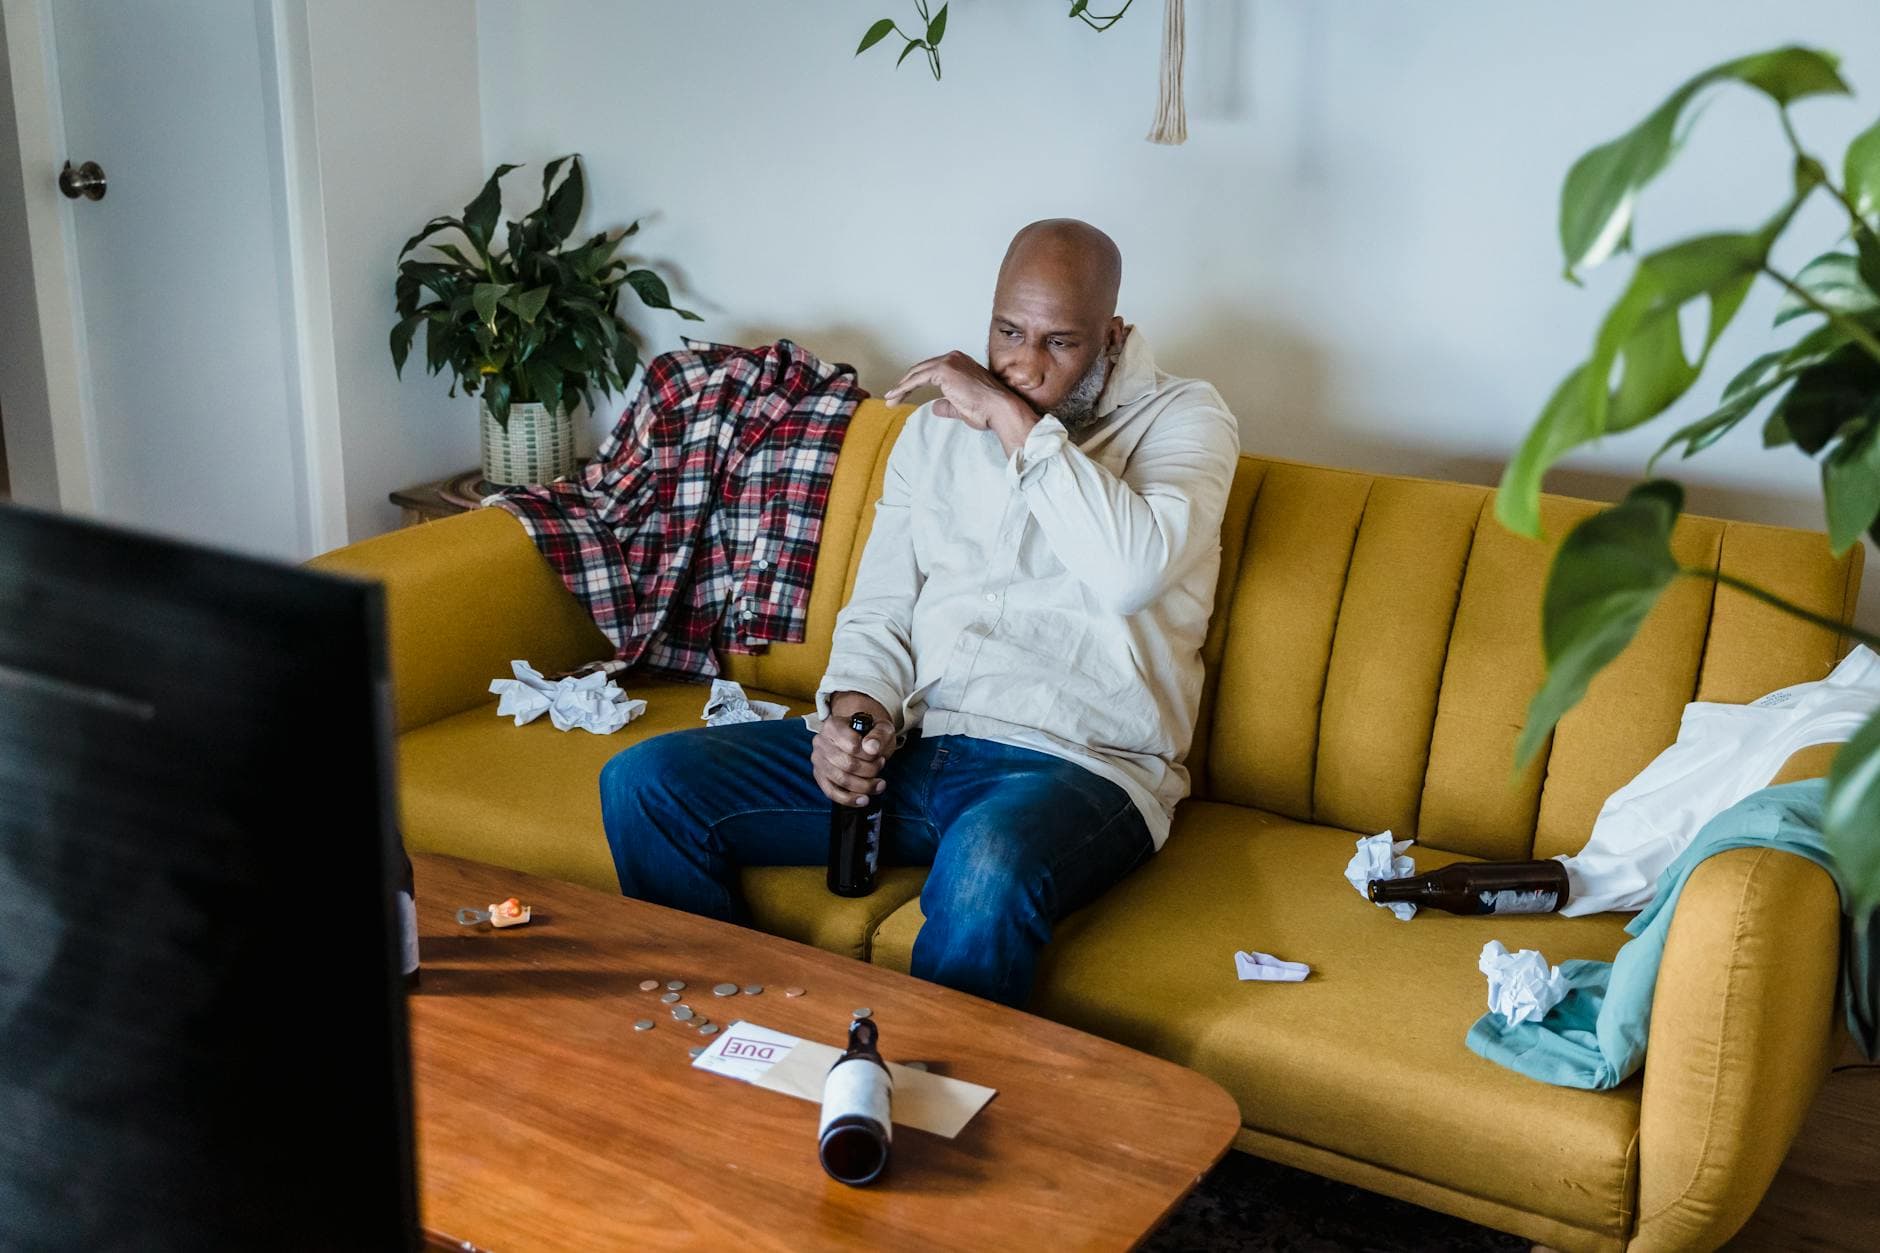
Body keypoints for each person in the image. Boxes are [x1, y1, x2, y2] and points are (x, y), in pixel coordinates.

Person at [600, 218, 1240, 1007]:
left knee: (988, 864)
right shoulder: (931, 436)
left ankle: (929, 1111)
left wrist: (1013, 422)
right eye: (1008, 331)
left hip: (1081, 769)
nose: (1025, 365)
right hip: (922, 748)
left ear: (1111, 334)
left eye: (1060, 344)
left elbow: (1127, 570)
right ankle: (733, 1039)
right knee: (647, 783)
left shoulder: (1187, 420)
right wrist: (855, 711)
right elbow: (881, 607)